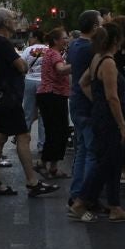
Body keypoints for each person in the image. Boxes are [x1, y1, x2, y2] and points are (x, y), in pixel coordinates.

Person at [74, 20, 125, 223]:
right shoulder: (109, 63)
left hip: (100, 115)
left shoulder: (97, 59)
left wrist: (96, 100)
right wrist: (122, 126)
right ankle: (80, 201)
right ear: (117, 40)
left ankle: (114, 205)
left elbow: (83, 82)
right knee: (105, 163)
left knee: (112, 163)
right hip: (109, 119)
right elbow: (113, 97)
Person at [0, 9, 55, 196]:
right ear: (4, 22)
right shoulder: (3, 42)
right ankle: (32, 182)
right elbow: (21, 65)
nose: (15, 21)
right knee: (23, 137)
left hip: (3, 97)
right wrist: (20, 65)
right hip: (9, 98)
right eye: (12, 18)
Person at [65, 10, 102, 202]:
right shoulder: (90, 49)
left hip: (76, 101)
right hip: (87, 104)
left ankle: (77, 191)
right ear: (95, 27)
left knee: (82, 150)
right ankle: (86, 196)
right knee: (92, 152)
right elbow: (86, 80)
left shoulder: (74, 46)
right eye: (101, 24)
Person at [34, 27, 73, 182]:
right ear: (56, 40)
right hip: (53, 95)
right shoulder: (54, 54)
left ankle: (52, 166)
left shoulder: (52, 53)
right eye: (64, 38)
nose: (66, 40)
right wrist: (78, 64)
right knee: (57, 131)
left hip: (52, 94)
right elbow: (61, 70)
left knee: (57, 131)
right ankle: (44, 163)